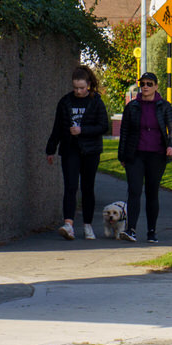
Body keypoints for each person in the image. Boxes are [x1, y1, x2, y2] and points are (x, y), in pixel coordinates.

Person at [45, 66, 111, 240]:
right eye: (75, 88)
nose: (79, 91)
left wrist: (83, 130)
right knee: (70, 186)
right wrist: (50, 149)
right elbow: (57, 127)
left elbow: (104, 126)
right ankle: (69, 224)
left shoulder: (96, 101)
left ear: (88, 85)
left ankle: (88, 225)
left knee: (87, 187)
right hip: (70, 149)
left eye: (82, 88)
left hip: (91, 150)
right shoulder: (65, 102)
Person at [116, 72, 172, 243]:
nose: (145, 87)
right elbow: (124, 132)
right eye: (143, 83)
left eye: (149, 84)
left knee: (152, 192)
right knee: (134, 191)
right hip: (135, 154)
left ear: (156, 87)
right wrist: (122, 155)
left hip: (156, 155)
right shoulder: (132, 107)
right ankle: (131, 230)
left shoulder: (164, 106)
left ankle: (152, 232)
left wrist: (171, 146)